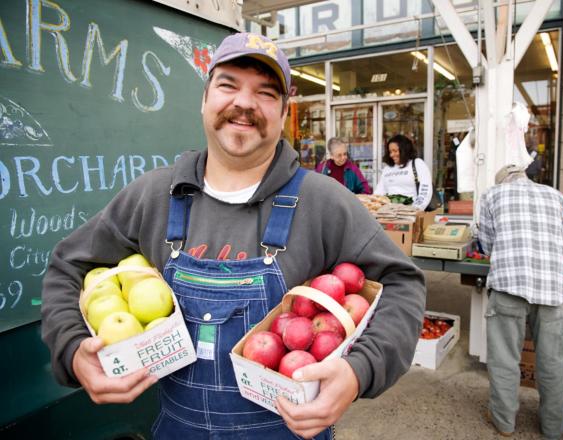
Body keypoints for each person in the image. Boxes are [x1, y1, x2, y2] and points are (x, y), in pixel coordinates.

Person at [40, 32, 426, 440]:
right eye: (228, 84)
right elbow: (69, 266)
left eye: (265, 92)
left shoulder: (324, 202)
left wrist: (357, 369)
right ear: (205, 99)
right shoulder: (153, 196)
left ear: (283, 112)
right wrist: (72, 348)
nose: (244, 102)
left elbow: (404, 284)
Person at [478, 164, 563, 439]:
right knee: (553, 360)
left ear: (502, 182)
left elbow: (487, 244)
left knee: (504, 358)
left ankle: (503, 421)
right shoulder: (556, 196)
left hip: (509, 286)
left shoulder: (492, 195)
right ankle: (554, 425)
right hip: (553, 289)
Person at [374, 134, 433, 211]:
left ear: (404, 150)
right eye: (390, 152)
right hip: (389, 214)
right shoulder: (387, 169)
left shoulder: (417, 164)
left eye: (395, 151)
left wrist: (416, 209)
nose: (392, 155)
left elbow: (425, 190)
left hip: (411, 213)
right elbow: (379, 192)